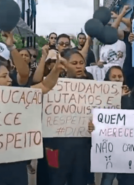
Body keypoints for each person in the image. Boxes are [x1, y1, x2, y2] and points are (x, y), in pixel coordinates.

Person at [0, 54, 66, 185]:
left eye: (9, 75)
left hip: (15, 163)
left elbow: (45, 87)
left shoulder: (18, 96)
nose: (10, 80)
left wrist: (55, 71)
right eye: (4, 76)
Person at [46, 48, 93, 185]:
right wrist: (47, 146)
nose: (79, 66)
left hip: (82, 148)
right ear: (65, 66)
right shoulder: (52, 85)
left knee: (79, 181)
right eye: (74, 63)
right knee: (56, 180)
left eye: (81, 62)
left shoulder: (93, 87)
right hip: (57, 147)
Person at [98, 66, 131, 185]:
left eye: (120, 77)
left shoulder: (130, 96)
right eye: (114, 77)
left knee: (125, 178)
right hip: (109, 143)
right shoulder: (100, 96)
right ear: (108, 79)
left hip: (126, 143)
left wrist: (125, 98)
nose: (117, 79)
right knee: (108, 177)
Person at [111, 8, 134, 89]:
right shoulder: (126, 34)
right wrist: (121, 13)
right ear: (131, 20)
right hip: (129, 73)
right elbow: (113, 29)